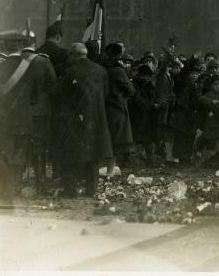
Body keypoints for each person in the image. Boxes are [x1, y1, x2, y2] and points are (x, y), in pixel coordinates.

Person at [51, 43, 113, 197]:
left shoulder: (71, 72)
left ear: (73, 55)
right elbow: (106, 93)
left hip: (75, 118)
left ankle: (70, 190)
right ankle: (91, 189)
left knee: (71, 153)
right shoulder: (101, 71)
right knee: (93, 154)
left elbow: (56, 93)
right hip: (97, 118)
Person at [0, 30, 41, 202]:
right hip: (24, 120)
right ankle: (13, 189)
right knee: (19, 157)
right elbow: (35, 94)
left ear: (3, 46)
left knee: (4, 157)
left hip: (3, 121)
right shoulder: (32, 67)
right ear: (20, 46)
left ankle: (6, 193)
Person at [22, 31, 57, 192]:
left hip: (17, 112)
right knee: (39, 146)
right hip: (40, 111)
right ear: (35, 44)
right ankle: (40, 182)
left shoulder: (12, 61)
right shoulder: (43, 62)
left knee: (18, 144)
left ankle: (15, 181)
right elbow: (53, 86)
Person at [103, 43, 135, 173]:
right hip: (116, 107)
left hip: (102, 106)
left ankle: (103, 169)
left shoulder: (101, 67)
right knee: (115, 141)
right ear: (118, 55)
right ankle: (110, 171)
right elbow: (131, 90)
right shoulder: (118, 70)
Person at [129, 63, 160, 166]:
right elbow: (136, 99)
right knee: (141, 138)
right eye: (146, 76)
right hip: (139, 114)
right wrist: (151, 105)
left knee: (146, 138)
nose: (147, 78)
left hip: (145, 114)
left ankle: (149, 160)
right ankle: (133, 159)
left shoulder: (145, 84)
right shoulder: (136, 84)